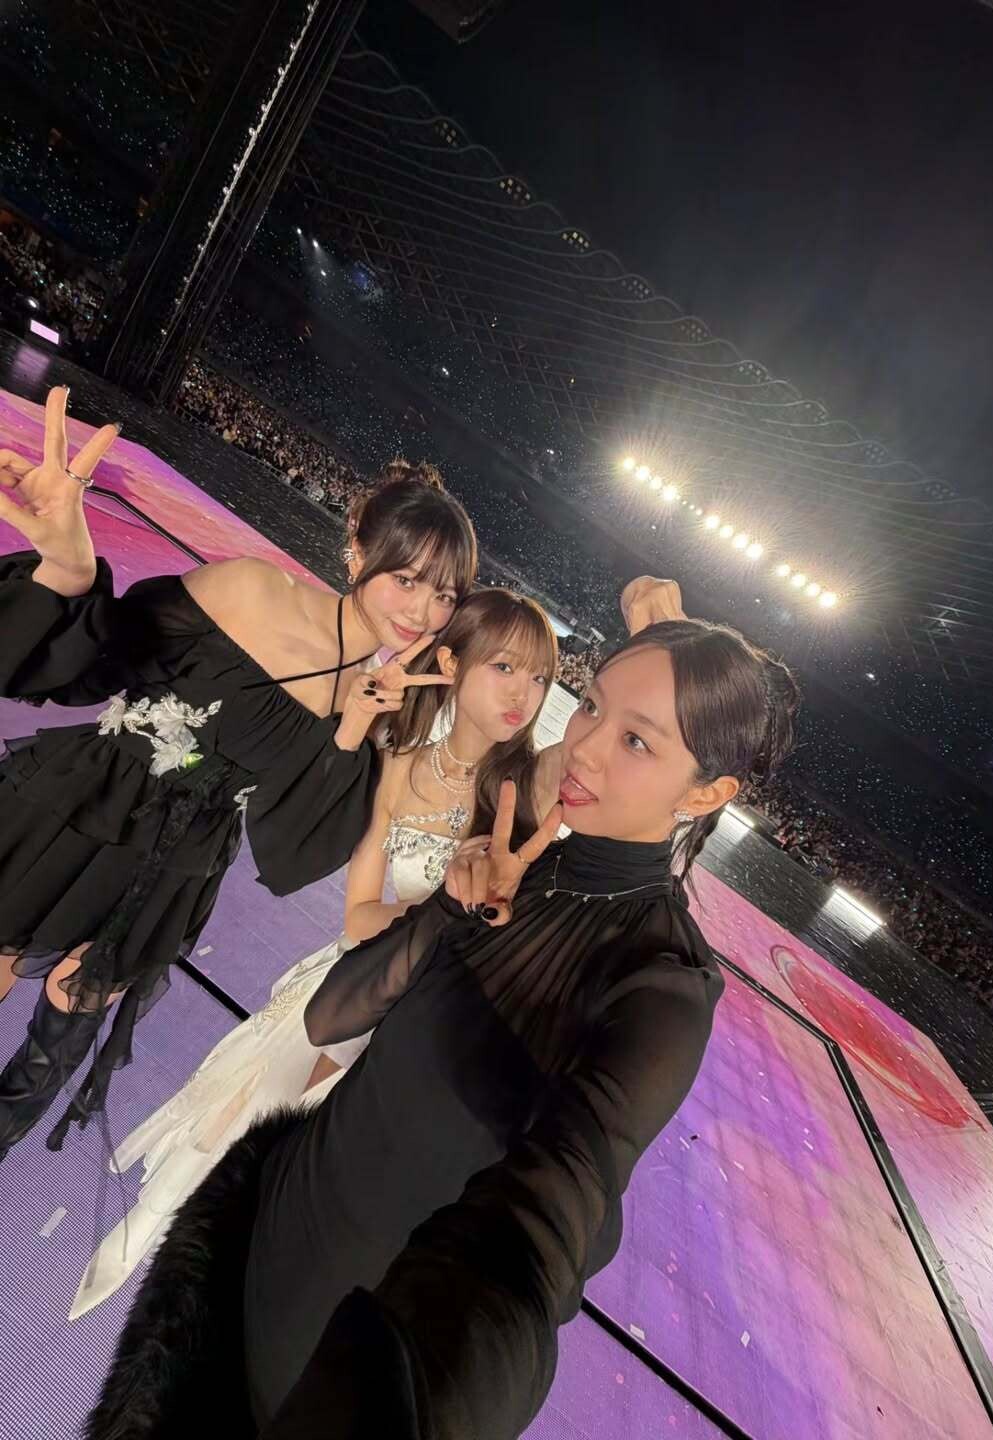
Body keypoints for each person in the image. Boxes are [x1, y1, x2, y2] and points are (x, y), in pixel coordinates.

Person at [86, 614, 799, 1440]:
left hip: (339, 1352)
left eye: (637, 742)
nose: (586, 748)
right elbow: (332, 1012)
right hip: (250, 1250)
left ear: (706, 794)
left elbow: (547, 1226)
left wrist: (414, 1405)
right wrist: (449, 910)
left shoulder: (662, 984)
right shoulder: (523, 864)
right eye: (592, 707)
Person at [0, 386, 476, 1159]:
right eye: (408, 579)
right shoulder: (252, 589)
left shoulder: (374, 700)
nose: (421, 610)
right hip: (82, 804)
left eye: (444, 594)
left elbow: (290, 845)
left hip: (172, 873)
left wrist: (353, 727)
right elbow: (96, 658)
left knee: (53, 1050)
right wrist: (68, 564)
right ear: (358, 550)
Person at [68, 587, 558, 1317]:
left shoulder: (530, 785)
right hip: (358, 984)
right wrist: (437, 910)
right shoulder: (398, 764)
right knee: (238, 1142)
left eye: (541, 677)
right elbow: (358, 915)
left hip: (440, 1024)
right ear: (453, 664)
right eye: (506, 668)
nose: (525, 694)